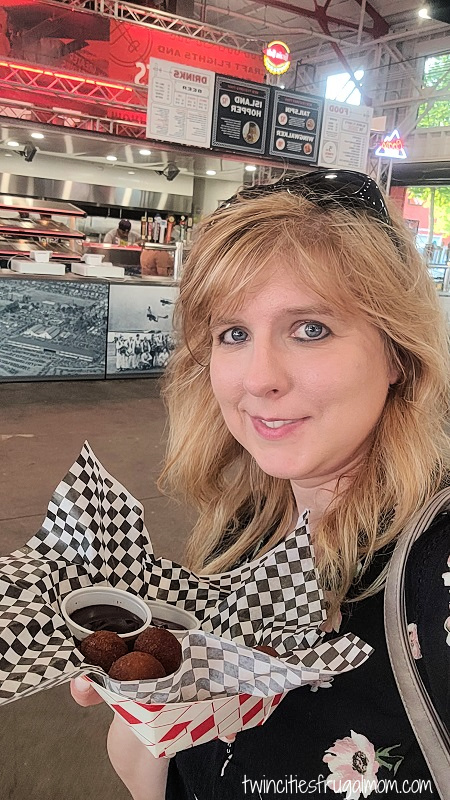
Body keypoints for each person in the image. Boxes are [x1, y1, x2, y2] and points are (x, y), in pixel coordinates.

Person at [71, 170, 450, 800]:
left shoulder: (436, 567)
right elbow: (161, 783)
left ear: (396, 353)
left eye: (310, 329)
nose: (259, 378)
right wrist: (146, 703)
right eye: (233, 334)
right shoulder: (245, 532)